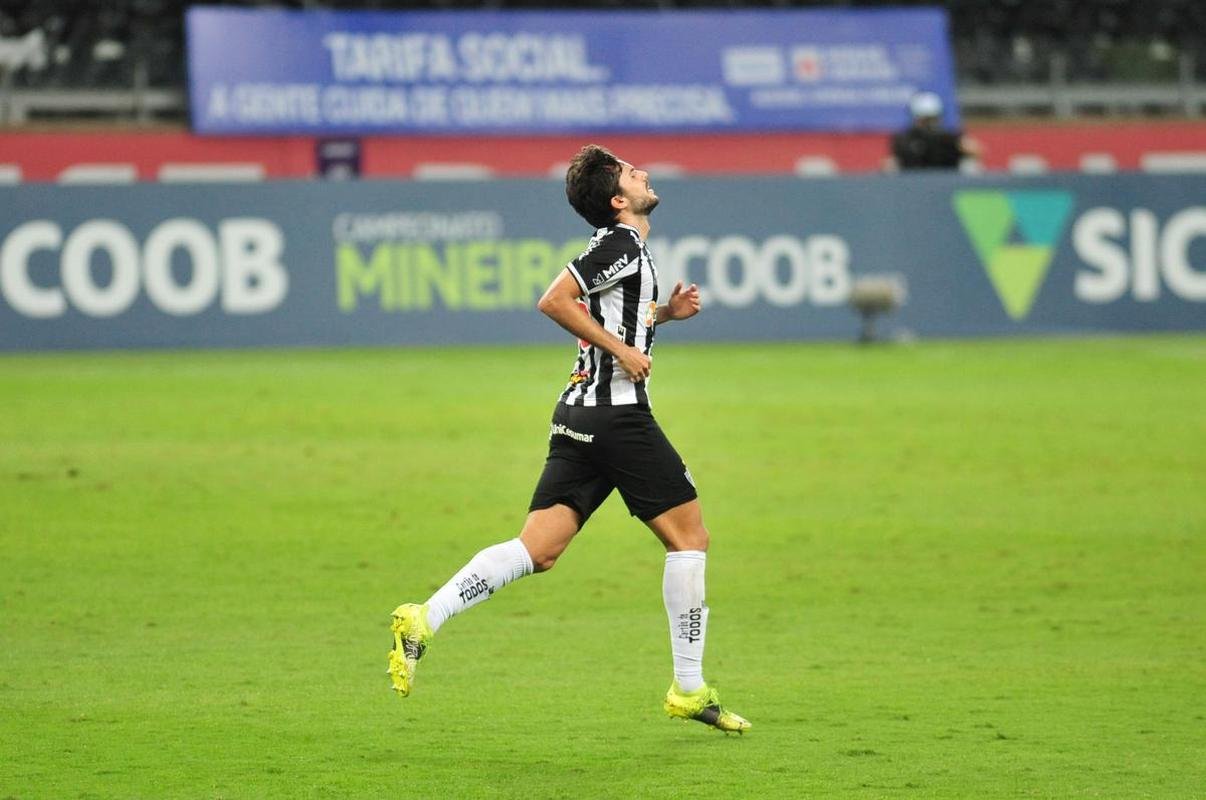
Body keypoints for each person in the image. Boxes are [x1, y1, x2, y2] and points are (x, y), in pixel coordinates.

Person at [386, 144, 750, 734]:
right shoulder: (620, 243)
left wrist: (661, 318)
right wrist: (625, 350)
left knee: (538, 549)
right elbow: (554, 301)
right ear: (618, 199)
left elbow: (612, 315)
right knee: (690, 538)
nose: (644, 173)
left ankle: (424, 617)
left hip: (578, 415)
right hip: (618, 417)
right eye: (633, 173)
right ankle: (688, 688)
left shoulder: (625, 251)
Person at [889, 91, 982, 170]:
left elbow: (974, 150)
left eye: (932, 119)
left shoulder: (950, 137)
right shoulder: (904, 139)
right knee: (890, 164)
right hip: (913, 183)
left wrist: (964, 147)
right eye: (924, 120)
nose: (928, 124)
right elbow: (894, 161)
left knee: (971, 165)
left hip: (949, 181)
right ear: (916, 118)